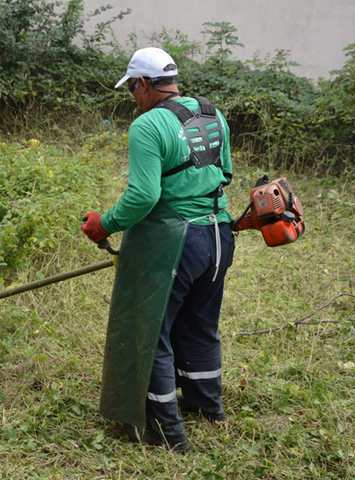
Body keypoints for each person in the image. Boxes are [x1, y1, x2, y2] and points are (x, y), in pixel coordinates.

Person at [81, 47, 235, 453]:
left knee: (152, 332)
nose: (133, 95)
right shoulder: (212, 113)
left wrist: (105, 223)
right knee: (200, 325)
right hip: (219, 238)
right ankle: (207, 408)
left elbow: (144, 196)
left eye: (133, 87)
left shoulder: (148, 126)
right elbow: (226, 173)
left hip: (177, 243)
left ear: (145, 83)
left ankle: (166, 432)